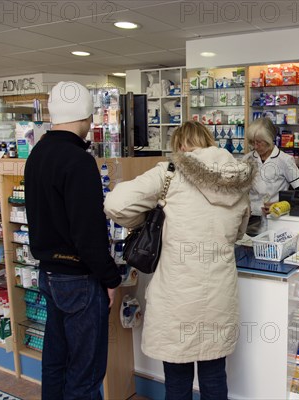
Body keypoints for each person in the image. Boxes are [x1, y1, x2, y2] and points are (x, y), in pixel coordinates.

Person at [104, 121, 254, 400]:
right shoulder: (237, 180)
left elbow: (114, 204)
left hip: (177, 295)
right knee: (213, 374)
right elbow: (240, 231)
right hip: (218, 293)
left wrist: (147, 220)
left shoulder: (171, 172)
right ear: (210, 141)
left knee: (177, 379)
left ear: (181, 147)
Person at [25, 81, 121, 400]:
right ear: (85, 117)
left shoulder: (38, 154)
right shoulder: (78, 161)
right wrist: (110, 278)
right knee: (85, 374)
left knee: (55, 363)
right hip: (79, 279)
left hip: (49, 275)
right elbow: (88, 233)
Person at [242, 117, 299, 225]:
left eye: (259, 142)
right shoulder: (247, 159)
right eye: (252, 142)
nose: (255, 146)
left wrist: (281, 204)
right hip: (251, 219)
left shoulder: (285, 160)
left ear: (269, 139)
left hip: (277, 218)